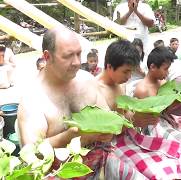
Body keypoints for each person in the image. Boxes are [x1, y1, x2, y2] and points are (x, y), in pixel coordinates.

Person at [17, 28, 142, 179]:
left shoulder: (86, 80)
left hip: (102, 161)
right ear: (47, 56)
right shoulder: (33, 99)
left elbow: (110, 121)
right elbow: (32, 154)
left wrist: (128, 122)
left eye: (78, 53)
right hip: (61, 174)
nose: (77, 62)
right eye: (68, 56)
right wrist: (72, 135)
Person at [97, 40, 181, 179]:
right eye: (126, 71)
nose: (129, 77)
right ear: (109, 66)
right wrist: (134, 120)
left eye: (131, 71)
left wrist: (139, 116)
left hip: (131, 136)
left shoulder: (119, 84)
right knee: (159, 172)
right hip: (111, 146)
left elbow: (126, 113)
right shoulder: (96, 89)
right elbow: (102, 131)